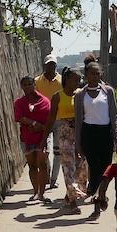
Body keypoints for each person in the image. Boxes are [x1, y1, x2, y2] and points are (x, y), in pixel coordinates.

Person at [76, 60, 117, 220]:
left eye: (98, 73)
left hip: (105, 134)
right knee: (95, 168)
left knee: (106, 170)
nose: (95, 76)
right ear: (86, 75)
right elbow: (78, 121)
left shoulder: (108, 91)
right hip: (89, 135)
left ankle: (101, 194)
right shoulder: (80, 95)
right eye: (92, 73)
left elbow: (114, 114)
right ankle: (97, 205)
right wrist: (78, 142)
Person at [47, 67, 87, 213]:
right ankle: (73, 201)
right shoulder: (58, 96)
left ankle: (69, 195)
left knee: (82, 166)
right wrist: (44, 138)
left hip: (80, 131)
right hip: (64, 132)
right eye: (75, 80)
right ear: (67, 80)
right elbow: (51, 118)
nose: (78, 82)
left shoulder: (81, 95)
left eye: (79, 80)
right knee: (68, 166)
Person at [13, 76, 51, 203]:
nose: (27, 87)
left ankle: (42, 193)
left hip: (42, 137)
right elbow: (19, 117)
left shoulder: (45, 101)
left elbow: (49, 120)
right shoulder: (19, 103)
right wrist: (34, 123)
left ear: (34, 84)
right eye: (24, 85)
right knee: (32, 165)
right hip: (27, 137)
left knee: (43, 164)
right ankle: (35, 192)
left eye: (29, 84)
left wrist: (40, 128)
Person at [33, 54, 63, 194]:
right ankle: (47, 173)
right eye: (48, 64)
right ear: (44, 66)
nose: (51, 66)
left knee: (58, 151)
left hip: (59, 119)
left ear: (56, 65)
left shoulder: (62, 81)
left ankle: (53, 179)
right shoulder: (37, 81)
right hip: (43, 121)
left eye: (53, 64)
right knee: (44, 151)